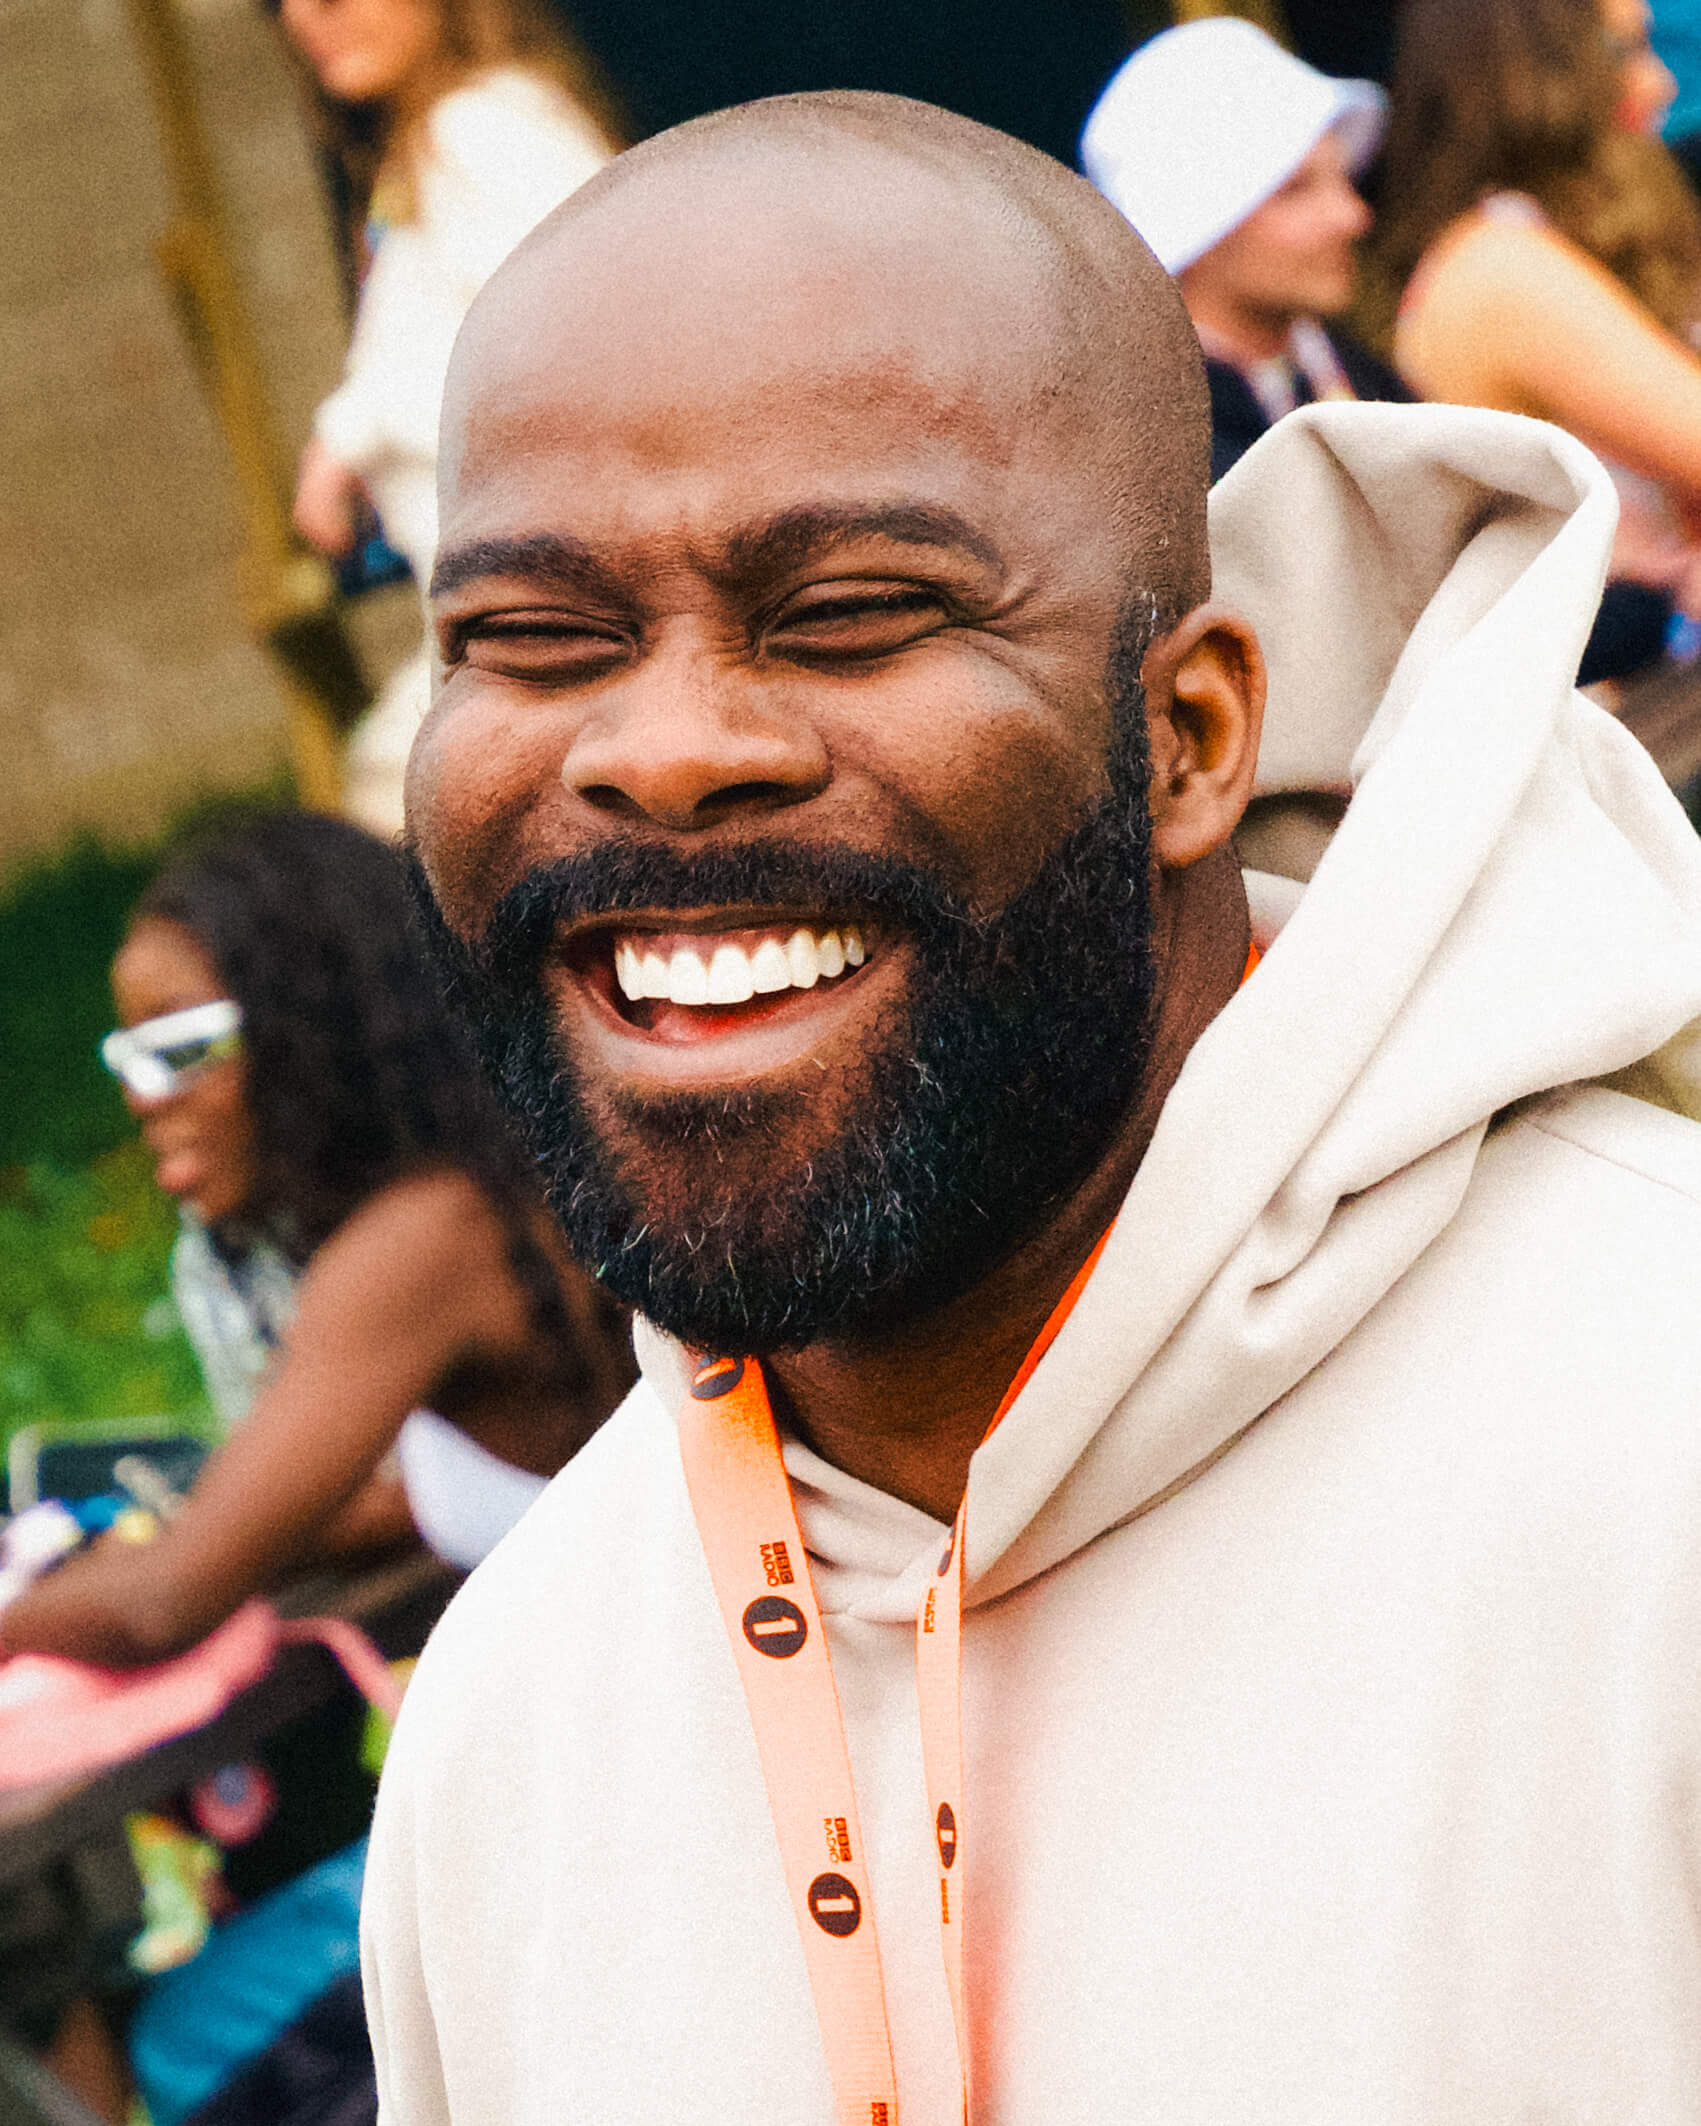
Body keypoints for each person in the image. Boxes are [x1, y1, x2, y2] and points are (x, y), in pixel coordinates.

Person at [365, 93, 1701, 2122]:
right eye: (533, 640)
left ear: (1185, 737)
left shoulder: (1649, 1440)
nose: (661, 751)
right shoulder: (510, 1739)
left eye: (847, 618)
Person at [0, 811, 634, 1667]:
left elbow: (160, 1605)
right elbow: (395, 1503)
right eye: (128, 1056)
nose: (143, 1096)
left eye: (181, 1045)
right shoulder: (485, 1198)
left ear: (309, 1019)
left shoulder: (420, 1244)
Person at [279, 0, 620, 835]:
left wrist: (351, 435)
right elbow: (425, 343)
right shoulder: (434, 140)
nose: (309, 10)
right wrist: (341, 439)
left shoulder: (488, 130)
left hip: (557, 617)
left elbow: (602, 349)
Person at [1373, 0, 1701, 680]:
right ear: (1531, 79)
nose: (1659, 84)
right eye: (1622, 54)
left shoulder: (1540, 239)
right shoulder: (1497, 264)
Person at [1082, 17, 1407, 484]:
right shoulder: (1151, 462)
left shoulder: (1366, 382)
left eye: (1343, 179)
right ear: (1196, 231)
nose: (1353, 217)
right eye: (1295, 190)